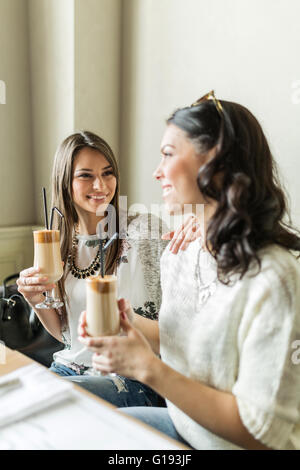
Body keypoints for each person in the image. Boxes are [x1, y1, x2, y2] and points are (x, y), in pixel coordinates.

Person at [78, 91, 300, 450]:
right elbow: (180, 339)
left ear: (217, 163)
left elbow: (262, 434)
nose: (156, 171)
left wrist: (147, 369)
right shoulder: (180, 255)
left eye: (167, 154)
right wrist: (128, 324)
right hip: (185, 429)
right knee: (80, 430)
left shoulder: (274, 279)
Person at [17, 130, 169, 408]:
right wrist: (35, 299)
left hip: (132, 378)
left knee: (41, 399)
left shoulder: (143, 230)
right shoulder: (60, 243)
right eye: (86, 175)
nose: (100, 185)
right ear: (65, 182)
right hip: (69, 369)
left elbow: (175, 326)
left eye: (107, 173)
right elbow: (68, 336)